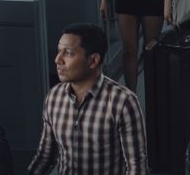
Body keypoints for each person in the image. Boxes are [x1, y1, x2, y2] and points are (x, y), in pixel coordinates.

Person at [28, 24, 147, 174]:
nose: (58, 59)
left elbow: (136, 165)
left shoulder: (123, 102)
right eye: (59, 51)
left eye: (68, 53)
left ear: (93, 60)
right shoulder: (54, 97)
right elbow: (45, 156)